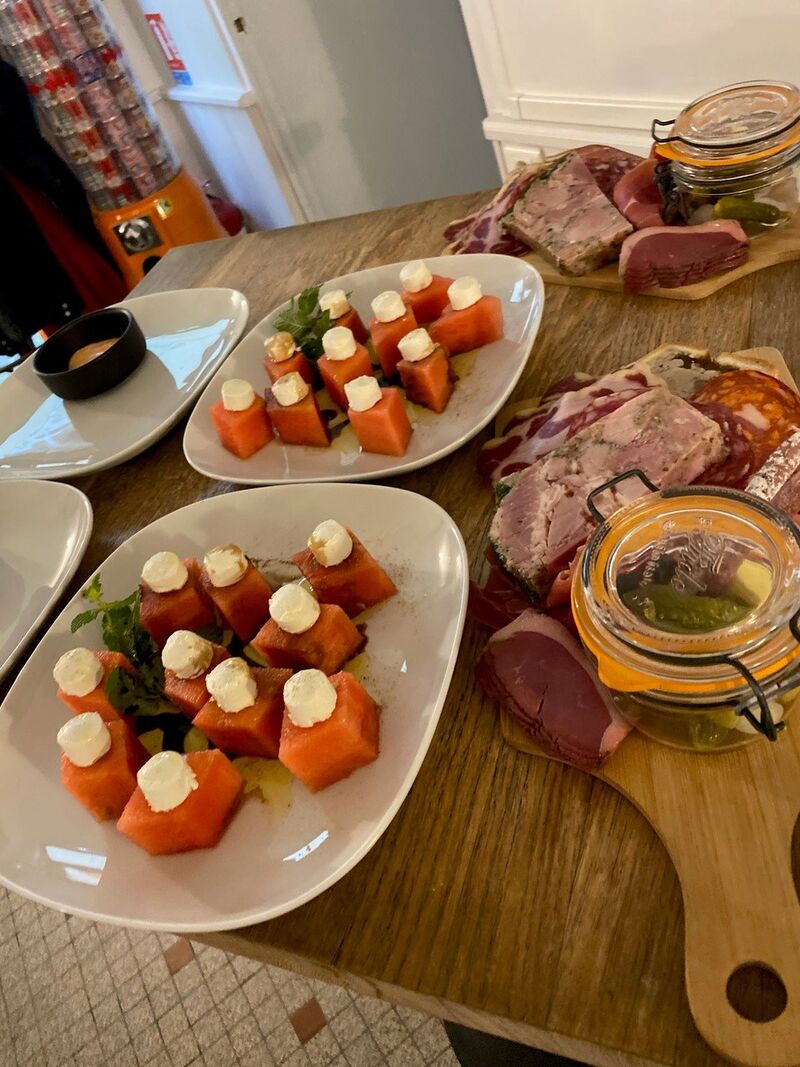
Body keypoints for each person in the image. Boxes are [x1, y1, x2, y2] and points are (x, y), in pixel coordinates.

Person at [0, 56, 126, 360]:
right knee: (48, 294)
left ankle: (115, 339)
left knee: (71, 280)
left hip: (27, 189)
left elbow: (17, 119)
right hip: (23, 195)